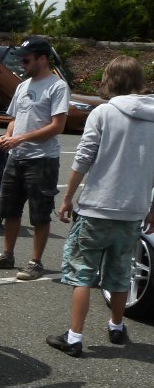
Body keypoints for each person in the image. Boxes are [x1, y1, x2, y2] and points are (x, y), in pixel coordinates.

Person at [46, 56, 154, 357]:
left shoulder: (103, 113)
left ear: (110, 80)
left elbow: (83, 157)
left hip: (97, 208)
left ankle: (74, 336)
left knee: (83, 273)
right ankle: (117, 326)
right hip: (133, 210)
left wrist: (68, 197)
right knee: (120, 274)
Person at [0, 37, 70, 280]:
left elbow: (58, 126)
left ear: (42, 59)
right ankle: (8, 255)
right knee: (10, 210)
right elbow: (14, 118)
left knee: (40, 213)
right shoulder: (23, 86)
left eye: (26, 60)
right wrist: (8, 137)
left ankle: (35, 262)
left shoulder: (57, 87)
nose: (21, 64)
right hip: (17, 156)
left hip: (42, 159)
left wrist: (20, 139)